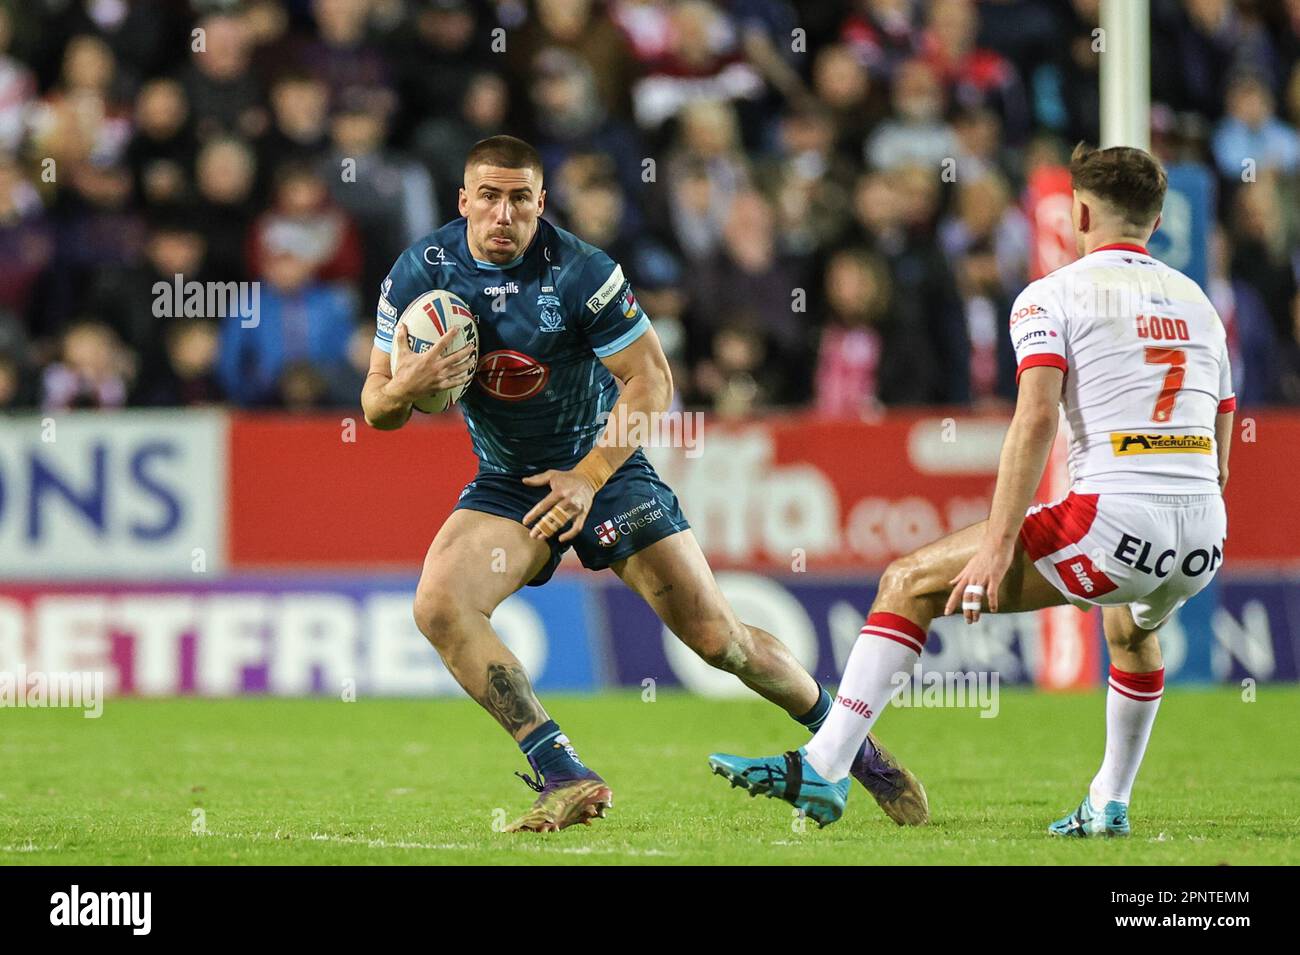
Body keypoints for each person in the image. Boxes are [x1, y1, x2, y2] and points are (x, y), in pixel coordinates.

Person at [360, 135, 928, 833]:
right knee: (439, 605)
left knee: (721, 640)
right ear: (464, 200)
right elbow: (376, 409)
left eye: (518, 199)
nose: (502, 213)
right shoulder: (421, 272)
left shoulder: (579, 271)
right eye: (488, 196)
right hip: (511, 482)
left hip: (606, 468)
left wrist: (588, 475)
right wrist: (410, 384)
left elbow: (652, 381)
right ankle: (566, 772)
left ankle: (855, 750)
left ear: (541, 201)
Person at [710, 143, 1235, 837]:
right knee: (1128, 631)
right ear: (1158, 219)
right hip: (1204, 535)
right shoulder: (1200, 302)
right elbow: (1223, 436)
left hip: (1115, 519)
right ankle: (1108, 800)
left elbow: (1036, 416)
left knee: (906, 581)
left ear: (1078, 212)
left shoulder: (1053, 294)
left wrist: (996, 545)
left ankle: (826, 765)